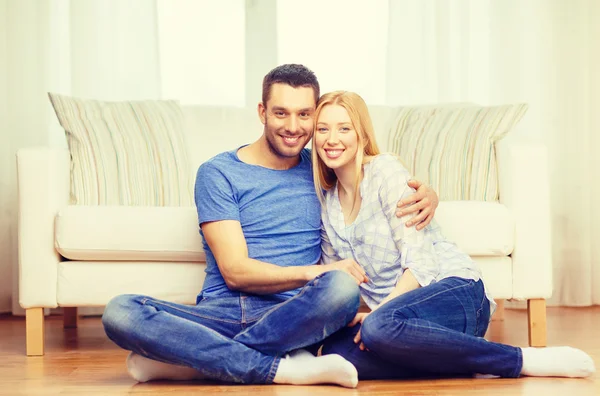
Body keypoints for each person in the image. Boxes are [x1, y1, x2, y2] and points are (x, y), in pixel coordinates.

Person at [101, 64, 439, 388]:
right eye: (281, 113)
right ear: (262, 112)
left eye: (304, 114)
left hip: (297, 313)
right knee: (120, 311)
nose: (293, 126)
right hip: (224, 310)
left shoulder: (322, 168)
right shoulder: (218, 173)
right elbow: (235, 271)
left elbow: (375, 176)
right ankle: (283, 367)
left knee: (342, 289)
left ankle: (193, 362)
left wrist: (427, 194)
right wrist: (312, 272)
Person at [312, 90, 596, 380]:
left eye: (344, 128)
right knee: (337, 353)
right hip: (406, 325)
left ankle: (517, 359)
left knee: (376, 329)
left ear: (361, 134)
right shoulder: (327, 203)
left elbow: (421, 265)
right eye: (323, 129)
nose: (332, 138)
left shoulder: (384, 171)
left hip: (455, 292)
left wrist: (377, 314)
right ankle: (465, 359)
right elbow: (341, 280)